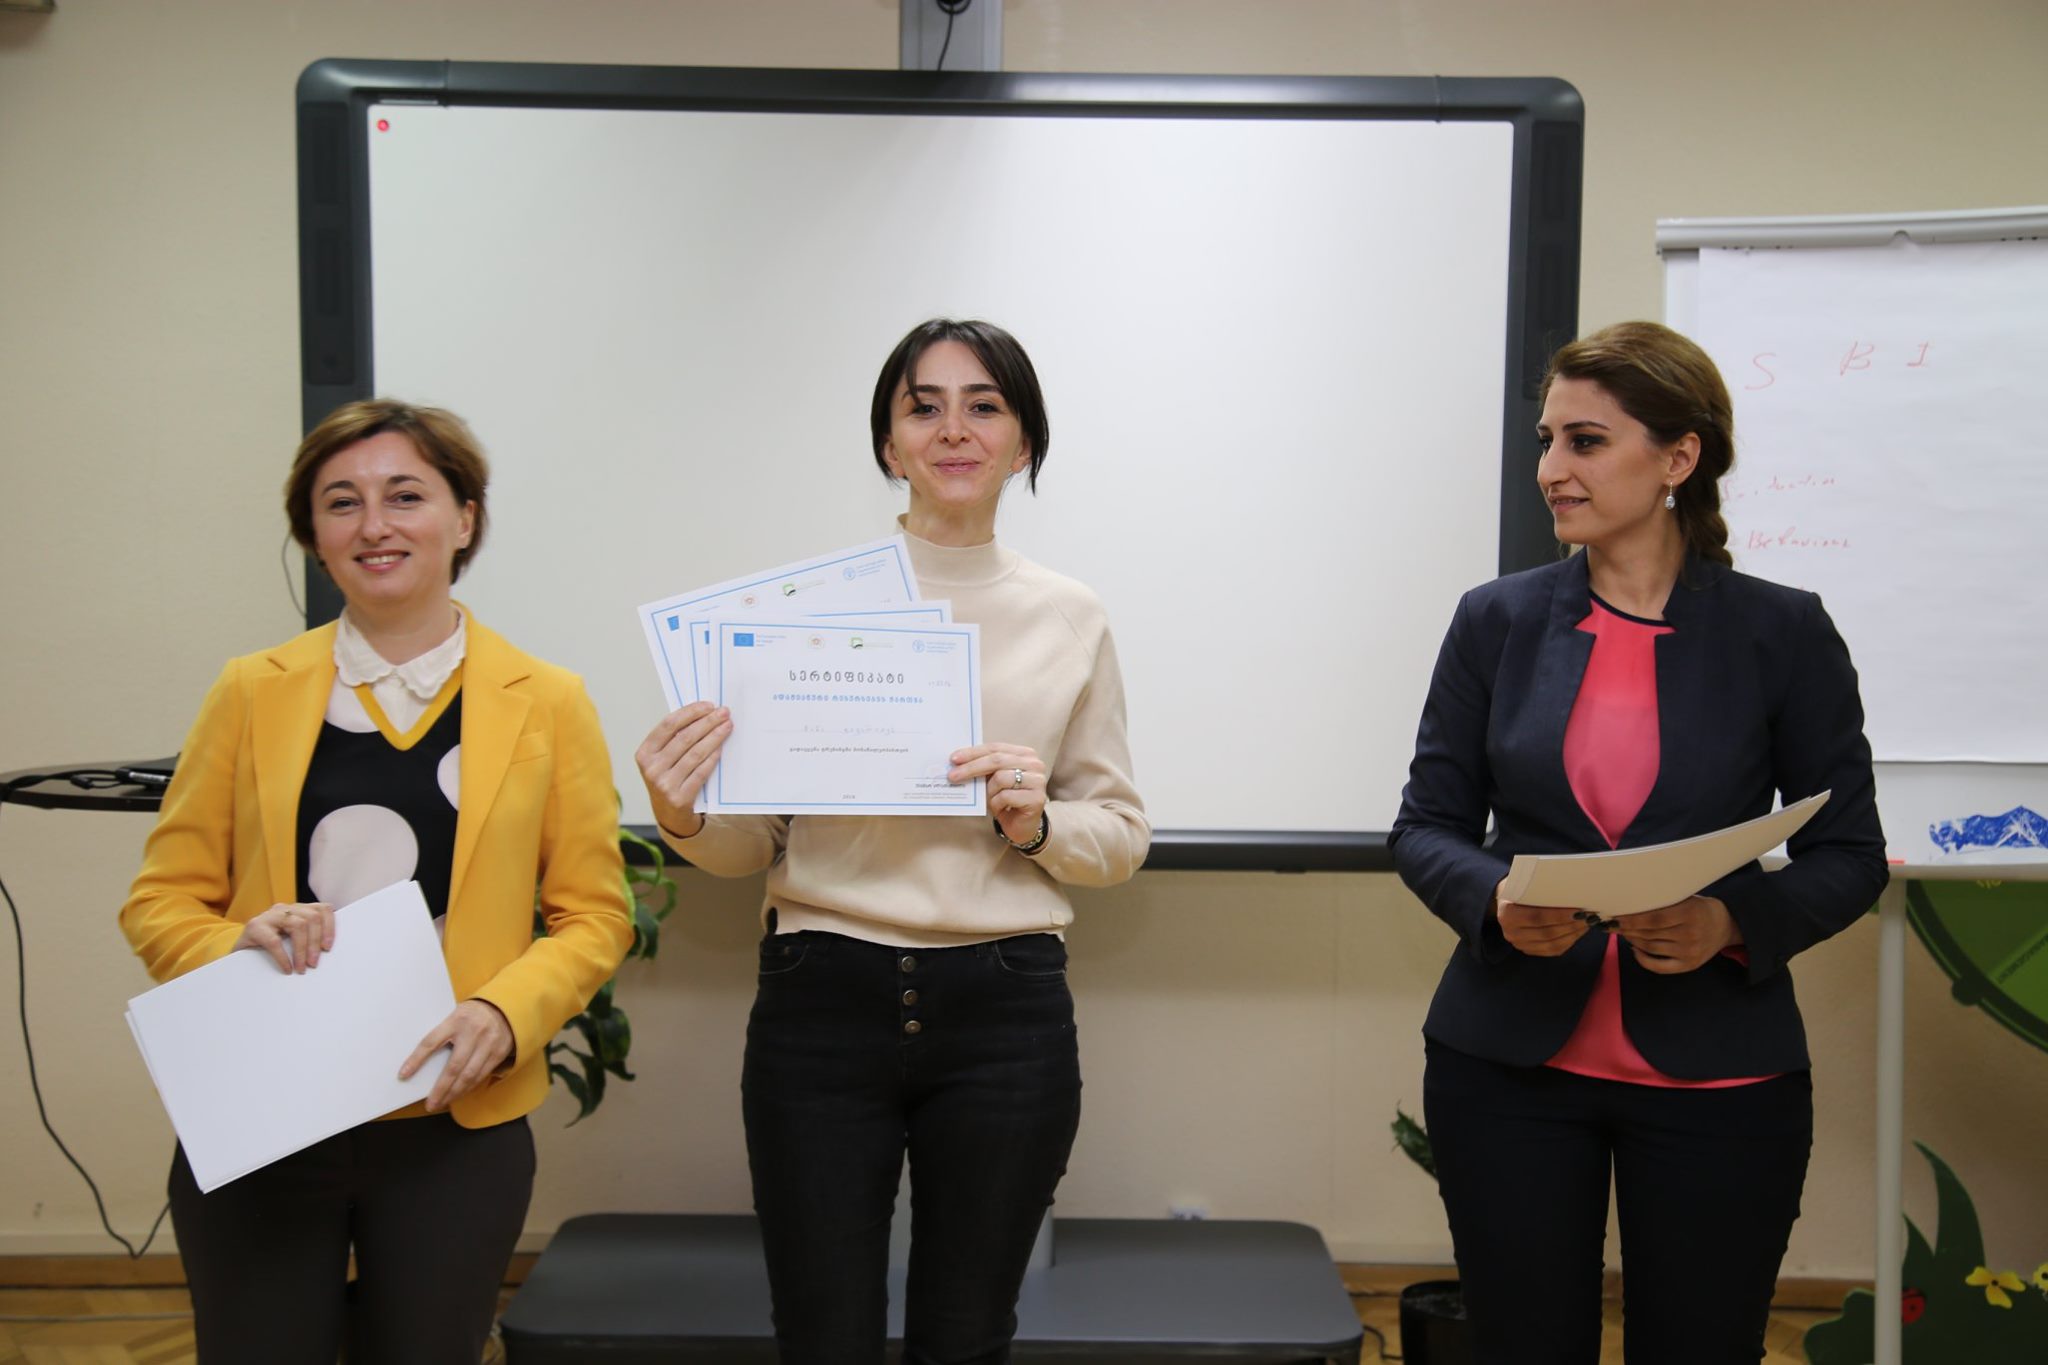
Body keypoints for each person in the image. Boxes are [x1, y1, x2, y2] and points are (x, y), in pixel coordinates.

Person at [636, 318, 1149, 1365]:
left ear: (1023, 442)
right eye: (924, 406)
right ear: (888, 443)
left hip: (1004, 1012)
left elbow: (1121, 834)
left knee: (966, 1338)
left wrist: (1038, 822)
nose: (953, 429)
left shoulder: (1069, 615)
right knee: (821, 1338)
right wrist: (683, 811)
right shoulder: (805, 609)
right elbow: (752, 843)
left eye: (984, 406)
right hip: (820, 1000)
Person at [1389, 321, 1887, 1364]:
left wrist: (1729, 921)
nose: (1550, 470)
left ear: (1677, 457)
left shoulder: (1782, 631)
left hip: (1722, 1075)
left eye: (1584, 441)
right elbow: (1426, 827)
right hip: (1505, 1069)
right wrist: (1494, 901)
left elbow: (1848, 853)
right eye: (1547, 441)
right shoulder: (1494, 621)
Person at [119, 399, 634, 1364]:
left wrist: (505, 1011)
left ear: (464, 518)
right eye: (341, 502)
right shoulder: (250, 689)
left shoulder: (548, 700)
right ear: (314, 537)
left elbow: (594, 914)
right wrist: (233, 939)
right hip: (265, 1108)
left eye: (406, 495)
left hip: (454, 1123)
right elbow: (158, 901)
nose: (374, 524)